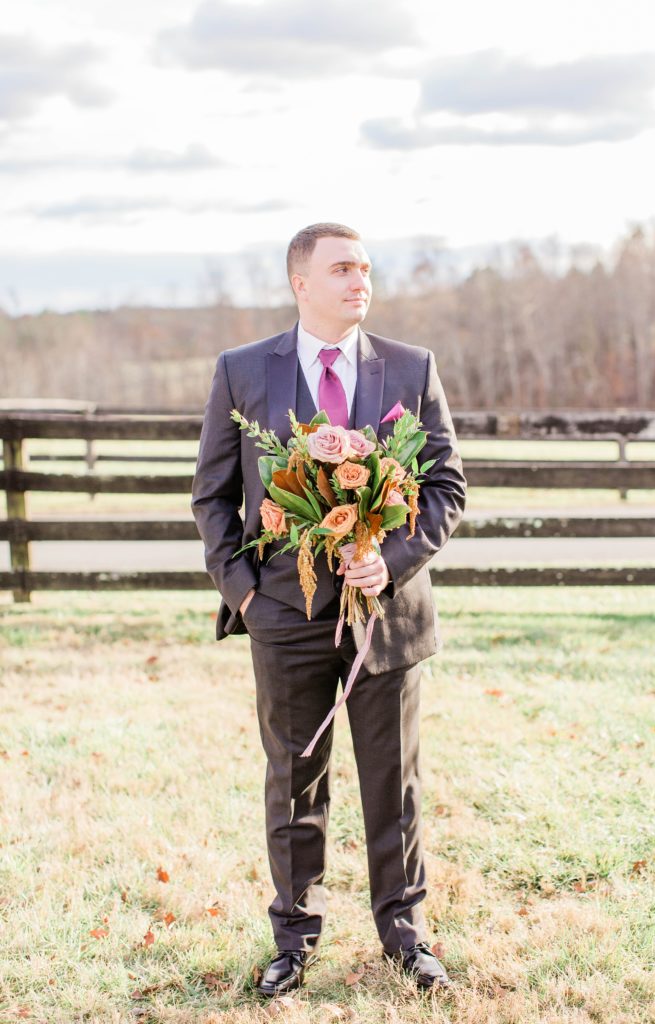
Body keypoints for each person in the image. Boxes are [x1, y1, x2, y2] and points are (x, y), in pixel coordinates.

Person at [191, 222, 467, 995]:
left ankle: (404, 938)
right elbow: (211, 496)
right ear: (299, 283)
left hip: (388, 619)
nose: (359, 281)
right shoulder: (242, 372)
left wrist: (394, 560)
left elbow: (447, 485)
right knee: (293, 782)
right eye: (341, 268)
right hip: (282, 614)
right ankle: (294, 939)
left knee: (393, 783)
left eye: (366, 268)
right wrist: (244, 594)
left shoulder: (412, 368)